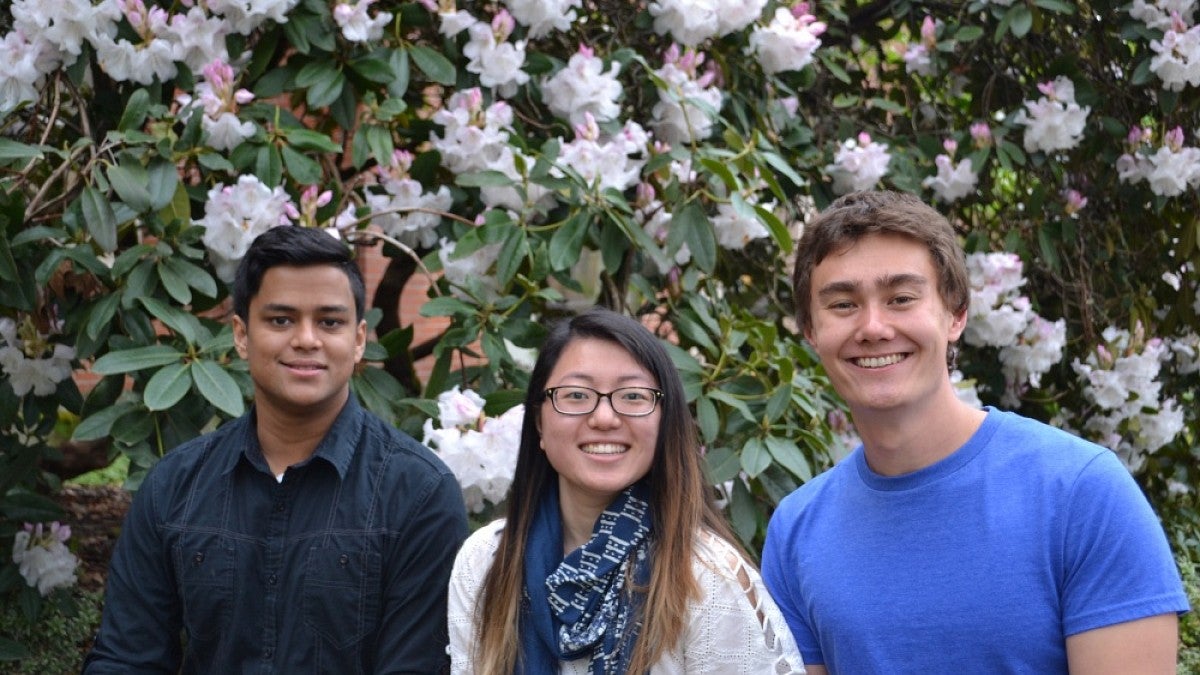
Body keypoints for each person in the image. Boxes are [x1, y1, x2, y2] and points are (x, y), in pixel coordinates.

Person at [761, 189, 1190, 674]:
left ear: (956, 314)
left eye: (901, 298)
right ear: (811, 330)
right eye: (842, 304)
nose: (873, 326)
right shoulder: (796, 531)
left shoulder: (1082, 493)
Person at [84, 225, 469, 673]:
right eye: (281, 320)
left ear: (359, 339)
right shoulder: (175, 487)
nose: (307, 339)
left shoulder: (419, 494)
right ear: (241, 335)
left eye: (330, 322)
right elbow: (127, 659)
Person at [447, 306, 805, 674]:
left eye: (633, 396)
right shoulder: (486, 562)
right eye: (576, 395)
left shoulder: (706, 577)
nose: (604, 418)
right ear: (539, 421)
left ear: (665, 420)